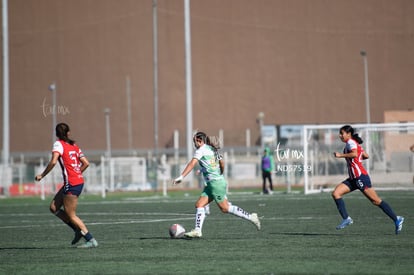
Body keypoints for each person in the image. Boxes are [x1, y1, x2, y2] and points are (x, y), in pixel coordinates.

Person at [172, 131, 261, 238]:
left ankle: (251, 217)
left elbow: (192, 163)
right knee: (199, 205)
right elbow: (222, 163)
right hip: (213, 183)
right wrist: (219, 173)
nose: (194, 143)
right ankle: (197, 230)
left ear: (199, 141)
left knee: (225, 208)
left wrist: (181, 176)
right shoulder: (212, 149)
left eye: (194, 141)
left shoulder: (200, 150)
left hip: (215, 184)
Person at [332, 125, 404, 234]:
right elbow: (365, 156)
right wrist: (356, 158)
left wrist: (341, 155)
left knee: (376, 201)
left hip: (360, 177)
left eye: (342, 133)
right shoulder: (353, 144)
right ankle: (346, 218)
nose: (340, 135)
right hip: (353, 179)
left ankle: (397, 219)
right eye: (340, 133)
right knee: (336, 193)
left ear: (349, 134)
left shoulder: (351, 143)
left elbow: (355, 154)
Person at [35, 123, 98, 248]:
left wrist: (42, 175)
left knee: (71, 215)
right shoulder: (74, 145)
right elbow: (86, 163)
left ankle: (90, 239)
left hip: (72, 183)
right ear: (68, 133)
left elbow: (53, 161)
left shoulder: (59, 144)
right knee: (54, 207)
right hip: (76, 181)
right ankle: (77, 231)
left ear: (57, 134)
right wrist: (77, 173)